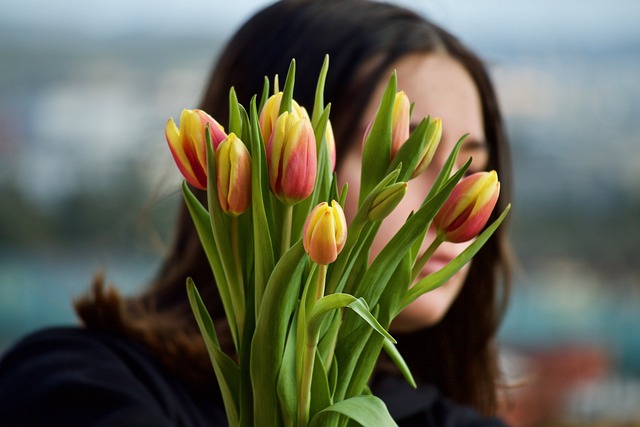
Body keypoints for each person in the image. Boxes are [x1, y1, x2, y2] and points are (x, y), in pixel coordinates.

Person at [0, 0, 512, 425]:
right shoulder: (75, 387)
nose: (446, 203)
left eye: (470, 171)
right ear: (270, 155)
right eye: (406, 158)